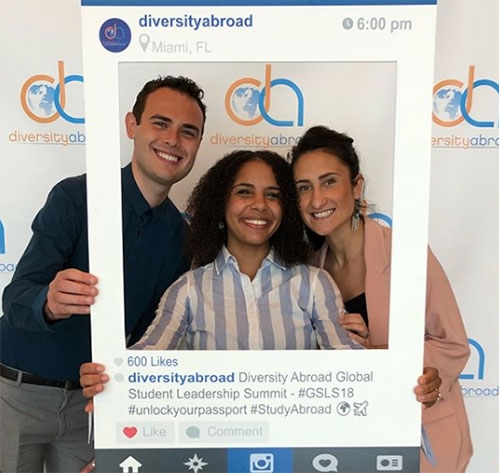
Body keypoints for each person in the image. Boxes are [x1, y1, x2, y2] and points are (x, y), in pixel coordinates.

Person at [0, 75, 207, 473]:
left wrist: (129, 415)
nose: (173, 140)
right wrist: (50, 302)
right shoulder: (75, 198)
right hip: (15, 395)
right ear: (132, 125)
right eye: (160, 123)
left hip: (93, 407)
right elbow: (16, 297)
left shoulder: (182, 237)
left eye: (188, 132)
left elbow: (148, 341)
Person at [80, 149, 362, 392]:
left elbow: (352, 366)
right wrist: (109, 378)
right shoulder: (188, 289)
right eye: (244, 192)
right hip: (213, 450)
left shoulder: (314, 284)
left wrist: (399, 380)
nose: (260, 205)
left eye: (272, 195)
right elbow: (147, 361)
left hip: (295, 448)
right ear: (220, 203)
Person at [289, 125, 473, 473]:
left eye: (329, 181)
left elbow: (452, 344)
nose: (316, 200)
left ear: (356, 187)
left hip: (422, 439)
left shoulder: (406, 252)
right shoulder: (309, 272)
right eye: (304, 188)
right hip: (352, 442)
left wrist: (384, 360)